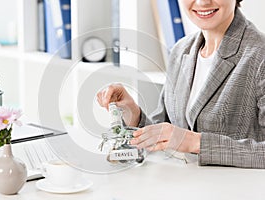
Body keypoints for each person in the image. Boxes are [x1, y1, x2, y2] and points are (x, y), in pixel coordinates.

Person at [97, 0, 265, 168]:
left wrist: (195, 142)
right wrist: (132, 113)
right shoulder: (180, 51)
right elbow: (166, 134)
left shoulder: (259, 54)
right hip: (182, 188)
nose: (202, 2)